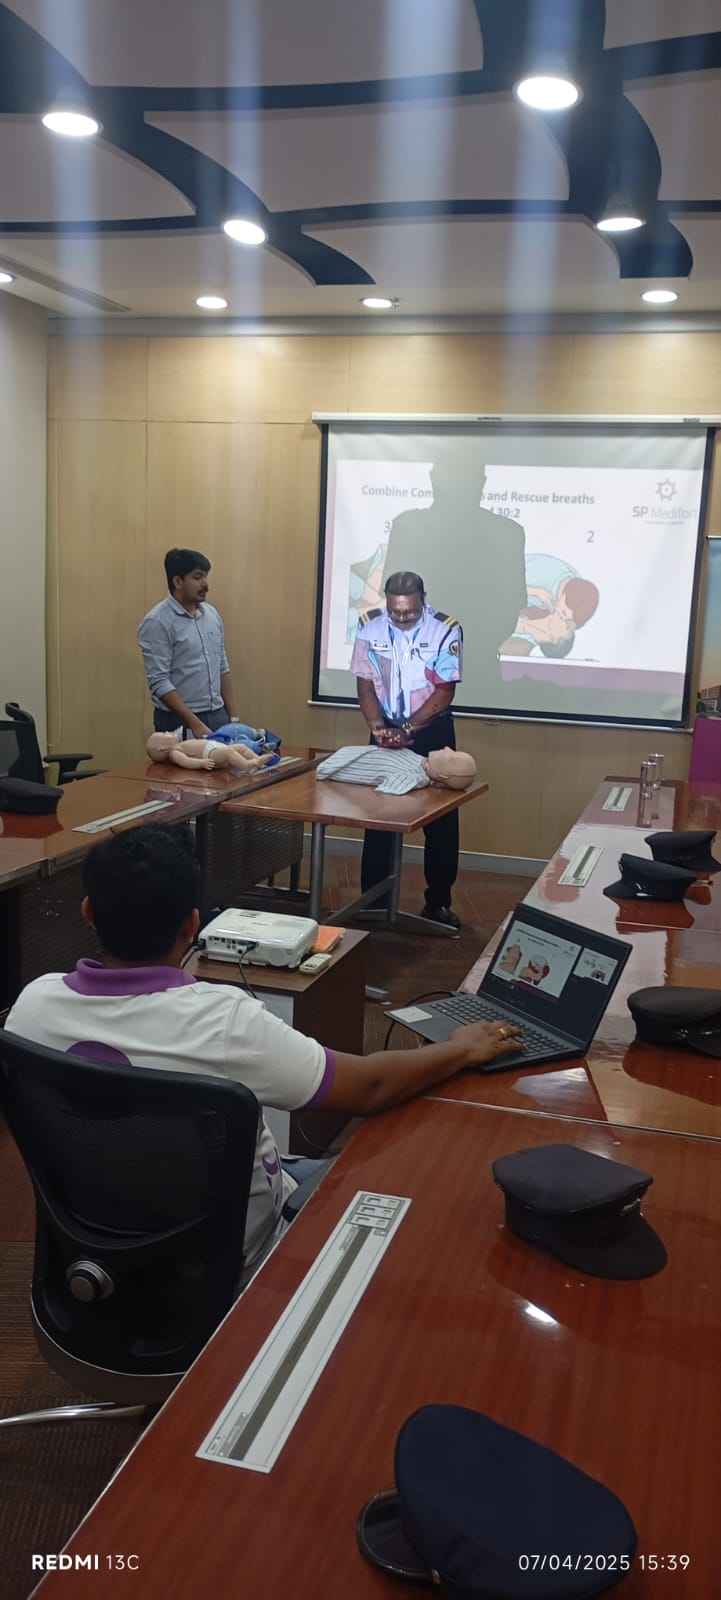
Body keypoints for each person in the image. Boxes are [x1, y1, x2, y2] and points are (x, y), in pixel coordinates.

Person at [4, 826, 521, 1283]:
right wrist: (457, 1050)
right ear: (193, 924)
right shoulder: (224, 1019)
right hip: (232, 1262)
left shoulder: (30, 1006)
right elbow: (369, 1088)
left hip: (96, 1249)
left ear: (88, 911)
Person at [351, 571, 464, 929]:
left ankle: (438, 903)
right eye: (395, 612)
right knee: (380, 816)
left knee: (441, 822)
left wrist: (409, 729)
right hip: (385, 728)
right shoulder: (369, 626)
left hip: (431, 731)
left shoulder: (445, 629)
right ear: (386, 602)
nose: (401, 619)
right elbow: (365, 683)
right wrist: (377, 728)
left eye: (409, 613)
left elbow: (444, 690)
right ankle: (373, 901)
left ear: (423, 601)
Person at [381, 456, 526, 703]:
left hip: (475, 667)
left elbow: (512, 605)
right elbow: (392, 600)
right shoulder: (408, 527)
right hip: (416, 670)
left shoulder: (507, 533)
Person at [138, 548, 236, 736]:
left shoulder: (212, 614)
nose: (205, 584)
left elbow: (222, 667)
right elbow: (159, 682)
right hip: (178, 719)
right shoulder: (157, 622)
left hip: (217, 714)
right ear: (178, 581)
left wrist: (233, 718)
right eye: (198, 577)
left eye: (206, 577)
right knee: (184, 766)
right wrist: (195, 724)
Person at [316, 744, 476, 796]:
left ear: (441, 775)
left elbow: (388, 789)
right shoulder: (421, 762)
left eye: (451, 757)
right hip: (349, 753)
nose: (447, 748)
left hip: (340, 765)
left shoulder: (414, 777)